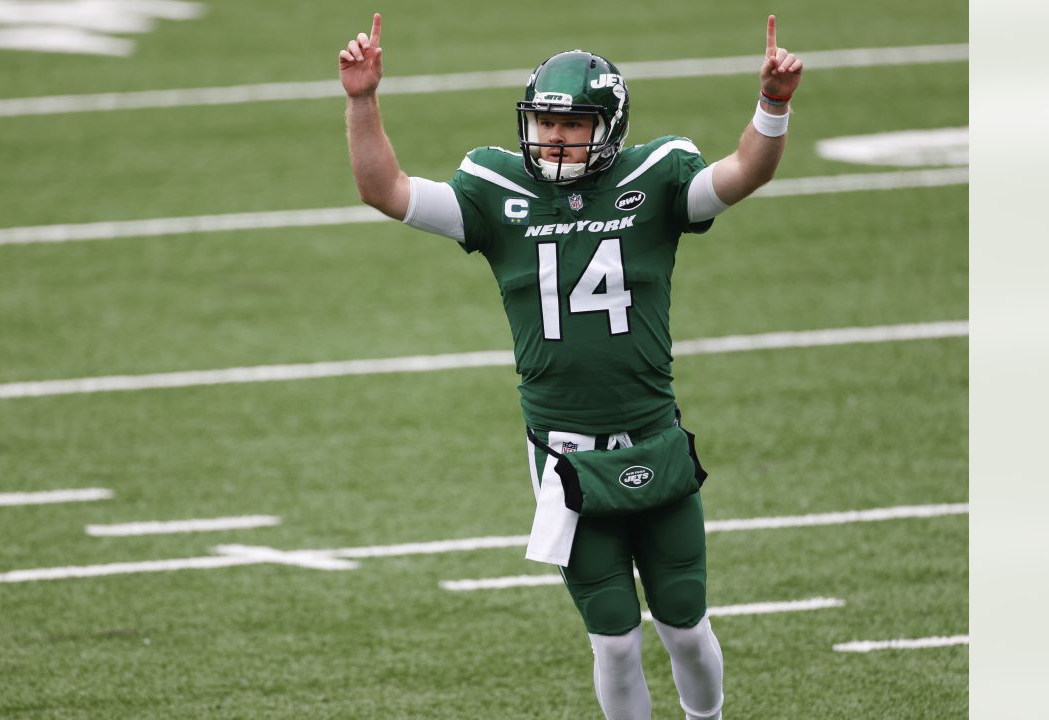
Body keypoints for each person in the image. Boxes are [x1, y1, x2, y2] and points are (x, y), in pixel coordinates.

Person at [339, 13, 803, 720]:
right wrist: (362, 101)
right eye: (544, 123)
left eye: (572, 124)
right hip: (565, 458)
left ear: (609, 126)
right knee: (614, 644)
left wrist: (772, 106)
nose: (553, 138)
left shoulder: (656, 177)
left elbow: (743, 173)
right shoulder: (496, 191)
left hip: (652, 437)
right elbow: (386, 190)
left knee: (684, 626)